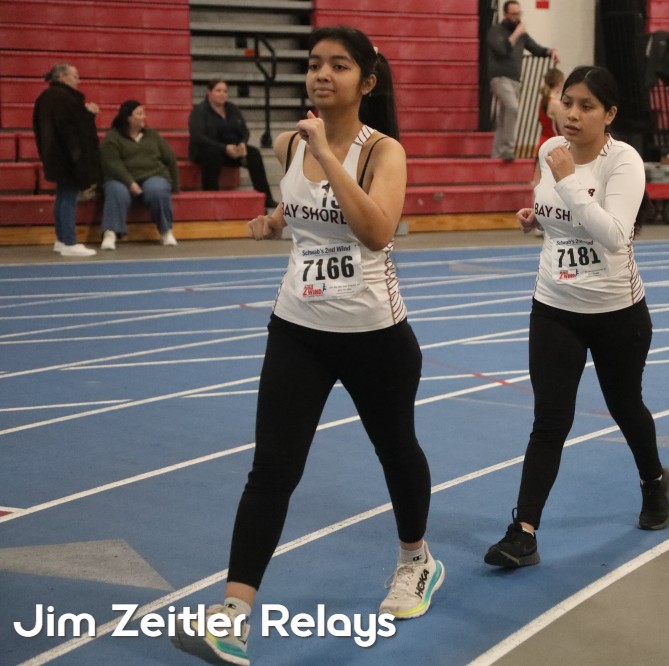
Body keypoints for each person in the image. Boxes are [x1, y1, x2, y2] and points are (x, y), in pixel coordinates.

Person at [171, 26, 443, 666]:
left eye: (339, 66)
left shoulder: (383, 152)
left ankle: (416, 561)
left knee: (396, 450)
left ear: (366, 82)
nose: (322, 74)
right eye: (315, 63)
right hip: (297, 327)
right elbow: (299, 210)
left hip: (374, 335)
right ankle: (232, 617)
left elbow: (377, 232)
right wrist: (275, 220)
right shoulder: (289, 142)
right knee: (272, 469)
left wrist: (326, 154)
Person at [484, 66, 669, 569]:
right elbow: (561, 215)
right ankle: (523, 532)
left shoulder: (623, 161)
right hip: (554, 307)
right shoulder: (550, 150)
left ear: (609, 114)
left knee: (625, 406)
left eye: (587, 106)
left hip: (616, 313)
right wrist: (538, 221)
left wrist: (568, 180)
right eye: (568, 101)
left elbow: (614, 234)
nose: (572, 113)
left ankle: (654, 481)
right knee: (550, 420)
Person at [31, 63, 100, 257]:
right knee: (68, 197)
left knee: (63, 196)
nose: (78, 80)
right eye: (75, 76)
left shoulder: (46, 97)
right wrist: (88, 115)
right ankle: (69, 241)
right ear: (62, 76)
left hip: (55, 155)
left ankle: (62, 239)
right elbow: (72, 131)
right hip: (67, 157)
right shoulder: (65, 99)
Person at [99, 100, 180, 249]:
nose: (144, 117)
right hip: (121, 179)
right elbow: (112, 164)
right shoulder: (112, 138)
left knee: (158, 190)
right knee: (116, 191)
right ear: (128, 118)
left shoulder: (152, 135)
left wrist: (175, 186)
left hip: (153, 175)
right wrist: (130, 182)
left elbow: (170, 158)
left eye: (143, 113)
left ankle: (166, 231)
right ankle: (110, 234)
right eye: (139, 114)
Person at [188, 79, 278, 210]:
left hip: (232, 150)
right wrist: (224, 148)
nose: (222, 94)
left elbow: (244, 131)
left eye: (225, 91)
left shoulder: (232, 109)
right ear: (209, 92)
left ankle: (266, 198)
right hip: (208, 150)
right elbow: (198, 137)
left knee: (253, 154)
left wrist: (242, 144)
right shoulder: (199, 111)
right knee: (213, 155)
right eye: (218, 91)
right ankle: (211, 197)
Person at [485, 0, 559, 160]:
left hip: (515, 80)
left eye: (518, 13)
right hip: (499, 78)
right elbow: (501, 50)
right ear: (505, 14)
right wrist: (517, 33)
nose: (517, 17)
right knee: (512, 107)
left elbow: (535, 48)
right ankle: (508, 149)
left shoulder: (522, 34)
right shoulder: (495, 31)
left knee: (504, 116)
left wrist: (550, 51)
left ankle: (496, 154)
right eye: (513, 14)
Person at [536, 67, 564, 156]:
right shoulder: (556, 104)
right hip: (553, 145)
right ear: (560, 84)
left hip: (542, 143)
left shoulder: (543, 100)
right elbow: (563, 130)